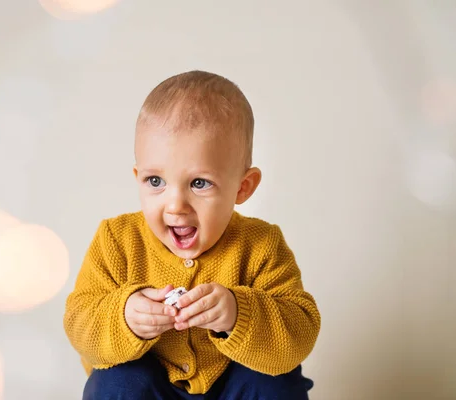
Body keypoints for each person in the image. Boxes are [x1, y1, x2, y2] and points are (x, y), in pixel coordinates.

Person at [63, 70, 321, 399]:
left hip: (230, 390)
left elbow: (300, 333)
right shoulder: (117, 239)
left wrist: (237, 313)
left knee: (273, 380)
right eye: (155, 181)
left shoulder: (261, 245)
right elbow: (79, 322)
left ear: (242, 187)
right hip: (155, 390)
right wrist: (125, 316)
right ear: (137, 176)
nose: (175, 206)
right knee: (118, 381)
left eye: (199, 183)